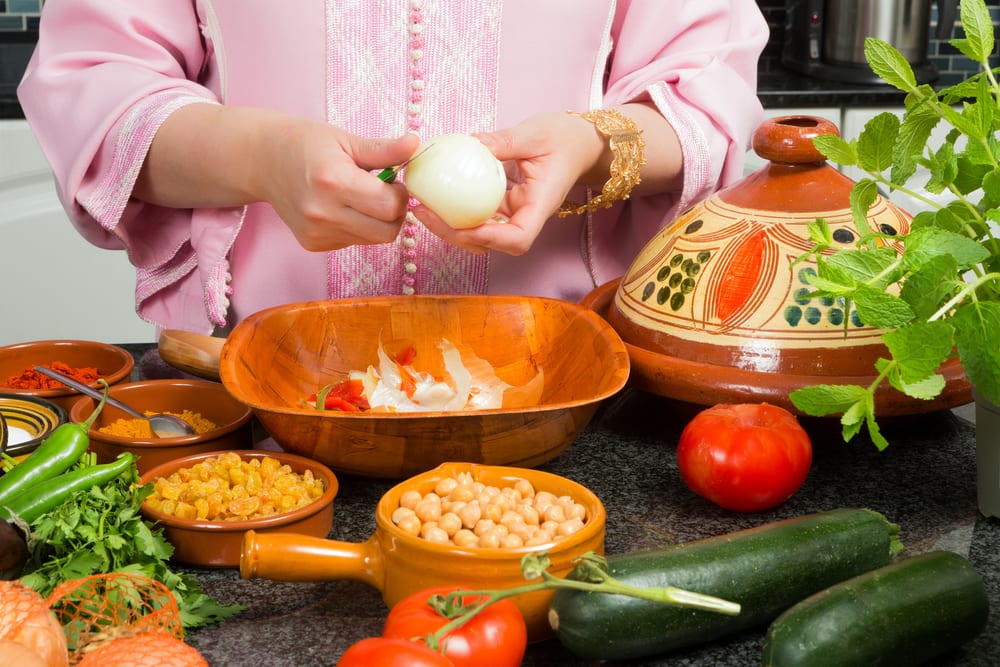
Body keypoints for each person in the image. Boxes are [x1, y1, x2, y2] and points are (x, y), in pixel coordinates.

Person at [18, 1, 768, 335]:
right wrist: (260, 156)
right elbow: (98, 86)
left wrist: (593, 146)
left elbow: (714, 99)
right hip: (262, 399)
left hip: (564, 393)